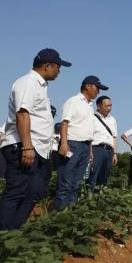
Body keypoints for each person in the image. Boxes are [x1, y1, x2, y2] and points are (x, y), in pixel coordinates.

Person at [0, 48, 71, 230]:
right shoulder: (28, 82)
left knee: (35, 191)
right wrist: (27, 147)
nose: (59, 71)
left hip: (39, 149)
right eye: (58, 67)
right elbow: (22, 114)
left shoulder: (40, 86)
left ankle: (14, 230)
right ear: (47, 66)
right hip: (25, 146)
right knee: (17, 190)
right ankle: (1, 237)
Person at [55, 76, 108, 209]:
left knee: (77, 183)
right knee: (65, 181)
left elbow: (88, 131)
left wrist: (89, 151)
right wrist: (64, 143)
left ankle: (71, 213)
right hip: (72, 144)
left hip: (85, 146)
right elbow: (64, 123)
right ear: (88, 86)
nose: (98, 92)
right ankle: (60, 215)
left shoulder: (89, 106)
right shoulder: (73, 102)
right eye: (97, 88)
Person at [87, 95, 118, 192]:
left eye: (111, 106)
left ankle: (100, 199)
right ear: (99, 106)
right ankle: (88, 198)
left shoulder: (112, 120)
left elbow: (114, 137)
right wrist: (90, 152)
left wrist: (114, 153)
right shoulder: (92, 117)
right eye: (107, 106)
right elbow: (89, 136)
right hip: (97, 149)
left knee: (104, 177)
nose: (109, 108)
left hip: (109, 151)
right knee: (93, 175)